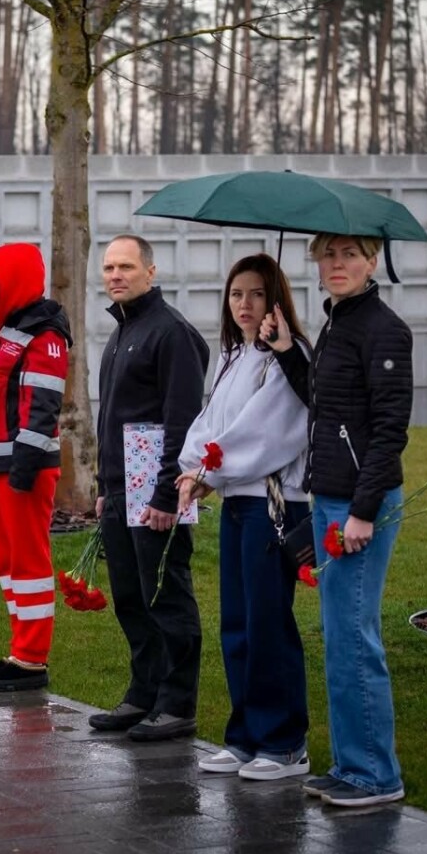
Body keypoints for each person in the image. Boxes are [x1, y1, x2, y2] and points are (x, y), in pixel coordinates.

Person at [265, 233, 413, 808]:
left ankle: (376, 775)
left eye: (349, 254)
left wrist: (361, 512)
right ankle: (354, 766)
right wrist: (284, 351)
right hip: (329, 497)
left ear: (372, 261)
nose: (336, 264)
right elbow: (327, 405)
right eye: (327, 255)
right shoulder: (337, 323)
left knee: (354, 638)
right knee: (340, 638)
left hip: (357, 507)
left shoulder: (383, 329)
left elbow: (387, 432)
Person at [177, 254, 312, 779]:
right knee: (236, 622)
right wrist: (191, 467)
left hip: (271, 505)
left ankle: (284, 743)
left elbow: (267, 431)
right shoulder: (234, 356)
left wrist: (211, 469)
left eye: (257, 294)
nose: (245, 305)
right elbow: (210, 419)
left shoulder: (288, 356)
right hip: (238, 502)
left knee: (267, 623)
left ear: (276, 300)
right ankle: (246, 736)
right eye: (237, 295)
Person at [91, 234, 208, 741]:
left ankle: (178, 704)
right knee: (131, 598)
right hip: (119, 488)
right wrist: (102, 484)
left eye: (126, 267)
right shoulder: (121, 331)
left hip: (156, 489)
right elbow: (112, 419)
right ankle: (145, 693)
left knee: (166, 595)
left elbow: (181, 419)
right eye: (109, 267)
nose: (115, 275)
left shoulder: (171, 332)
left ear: (151, 272)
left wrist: (165, 495)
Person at [0, 242, 71, 692]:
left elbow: (41, 408)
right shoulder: (2, 331)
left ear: (19, 281)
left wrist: (22, 472)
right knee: (7, 564)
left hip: (20, 469)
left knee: (28, 562)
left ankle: (32, 659)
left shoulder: (43, 334)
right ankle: (20, 651)